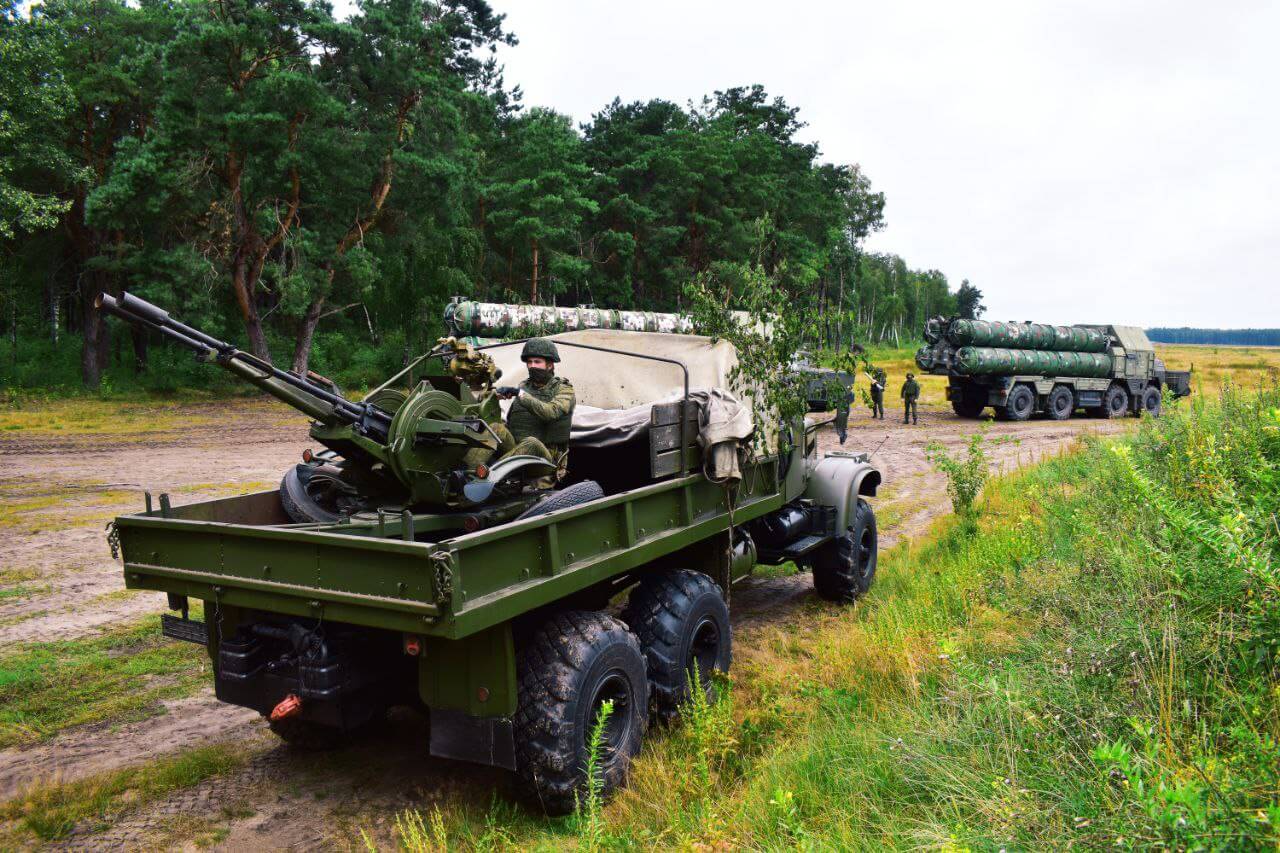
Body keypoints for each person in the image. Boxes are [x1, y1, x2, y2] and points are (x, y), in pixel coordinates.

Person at [494, 338, 576, 468]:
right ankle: (465, 474)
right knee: (495, 428)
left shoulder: (565, 390)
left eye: (537, 362)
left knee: (532, 443)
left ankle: (485, 474)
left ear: (549, 365)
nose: (532, 366)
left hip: (544, 458)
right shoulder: (524, 386)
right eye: (529, 362)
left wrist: (519, 393)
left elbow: (551, 412)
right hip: (516, 448)